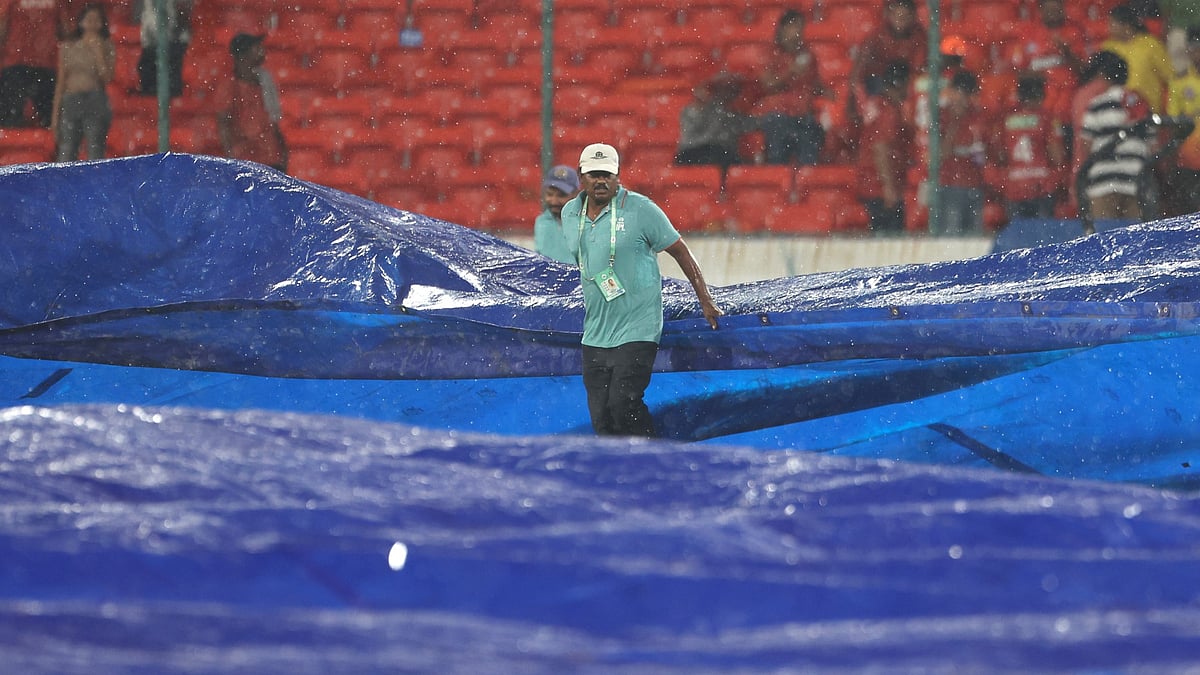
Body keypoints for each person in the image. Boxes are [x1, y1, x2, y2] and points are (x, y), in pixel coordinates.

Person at [560, 143, 722, 437]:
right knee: (601, 420)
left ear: (618, 176)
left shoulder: (641, 209)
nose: (601, 181)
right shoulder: (570, 213)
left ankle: (654, 463)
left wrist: (705, 300)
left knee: (624, 404)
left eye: (608, 174)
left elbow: (681, 251)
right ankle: (618, 477)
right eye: (594, 174)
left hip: (638, 327)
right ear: (581, 176)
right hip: (595, 332)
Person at [1079, 51, 1153, 223]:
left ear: (1103, 75)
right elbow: (1152, 145)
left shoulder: (1097, 104)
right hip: (1136, 182)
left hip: (1103, 183)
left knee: (1105, 240)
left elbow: (1085, 144)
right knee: (1135, 242)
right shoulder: (1141, 102)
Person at [754, 9, 825, 165]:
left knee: (811, 136)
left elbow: (815, 86)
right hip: (777, 114)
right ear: (783, 29)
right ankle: (776, 180)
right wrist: (790, 72)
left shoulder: (808, 56)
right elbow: (766, 86)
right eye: (794, 26)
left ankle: (806, 183)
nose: (798, 31)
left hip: (803, 116)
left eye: (801, 26)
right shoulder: (770, 54)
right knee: (778, 145)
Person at [992, 74, 1066, 220]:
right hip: (1042, 186)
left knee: (1018, 238)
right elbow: (1057, 156)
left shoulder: (1006, 119)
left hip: (1014, 187)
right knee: (1043, 238)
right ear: (1041, 95)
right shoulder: (1048, 119)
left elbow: (999, 154)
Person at [856, 61, 913, 236]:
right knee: (890, 242)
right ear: (900, 84)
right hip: (880, 188)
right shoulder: (888, 110)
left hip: (870, 184)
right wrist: (888, 188)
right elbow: (881, 149)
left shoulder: (876, 103)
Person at [216, 33, 287, 171]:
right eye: (255, 48)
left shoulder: (265, 82)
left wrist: (282, 153)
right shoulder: (229, 87)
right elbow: (223, 124)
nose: (261, 50)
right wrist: (231, 157)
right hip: (246, 160)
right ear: (242, 55)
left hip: (271, 158)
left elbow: (274, 123)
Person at [51, 2, 113, 161]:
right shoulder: (68, 46)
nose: (92, 24)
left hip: (95, 99)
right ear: (81, 22)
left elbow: (107, 78)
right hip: (71, 99)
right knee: (67, 150)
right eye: (89, 19)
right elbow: (61, 81)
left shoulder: (106, 46)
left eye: (96, 20)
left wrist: (98, 52)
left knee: (95, 149)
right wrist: (55, 114)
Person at [1006, 0, 1086, 121]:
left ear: (1063, 9)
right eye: (1049, 10)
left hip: (1067, 90)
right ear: (1040, 10)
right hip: (1036, 91)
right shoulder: (1028, 32)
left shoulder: (1075, 32)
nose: (1053, 14)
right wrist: (1042, 76)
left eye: (1056, 10)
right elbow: (1017, 70)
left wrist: (1067, 51)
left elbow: (1083, 69)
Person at [933, 70, 988, 236]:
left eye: (967, 95)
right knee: (950, 240)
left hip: (975, 185)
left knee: (975, 240)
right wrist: (955, 122)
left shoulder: (978, 116)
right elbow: (941, 153)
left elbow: (986, 151)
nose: (963, 100)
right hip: (950, 184)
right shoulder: (941, 115)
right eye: (960, 93)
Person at [0, 0, 66, 127]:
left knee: (50, 118)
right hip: (17, 62)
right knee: (10, 119)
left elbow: (64, 28)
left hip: (45, 63)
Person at [674, 71, 758, 169]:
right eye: (722, 88)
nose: (727, 92)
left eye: (731, 89)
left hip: (721, 154)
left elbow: (749, 126)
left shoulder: (733, 111)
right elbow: (691, 135)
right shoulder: (692, 110)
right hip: (695, 153)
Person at [1101, 3, 1174, 113]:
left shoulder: (1151, 44)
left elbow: (1169, 77)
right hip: (1116, 111)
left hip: (1148, 112)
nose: (1109, 28)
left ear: (1126, 25)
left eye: (1112, 24)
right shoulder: (1108, 48)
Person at [851, 0, 926, 98]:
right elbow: (863, 72)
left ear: (912, 16)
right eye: (897, 16)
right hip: (880, 84)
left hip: (907, 84)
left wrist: (907, 87)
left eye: (905, 16)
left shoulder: (919, 37)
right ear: (889, 15)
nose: (900, 20)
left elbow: (919, 67)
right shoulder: (876, 37)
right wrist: (886, 89)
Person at [1164, 26, 1200, 215]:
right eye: (1193, 47)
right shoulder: (1179, 81)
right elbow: (1173, 121)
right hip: (1191, 157)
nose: (1197, 52)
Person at [136, 0, 192, 98]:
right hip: (152, 44)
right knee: (146, 67)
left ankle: (169, 97)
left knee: (170, 72)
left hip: (175, 42)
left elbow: (183, 15)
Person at [533, 164, 578, 264]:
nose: (554, 201)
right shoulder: (541, 222)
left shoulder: (587, 221)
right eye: (549, 194)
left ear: (575, 194)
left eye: (561, 195)